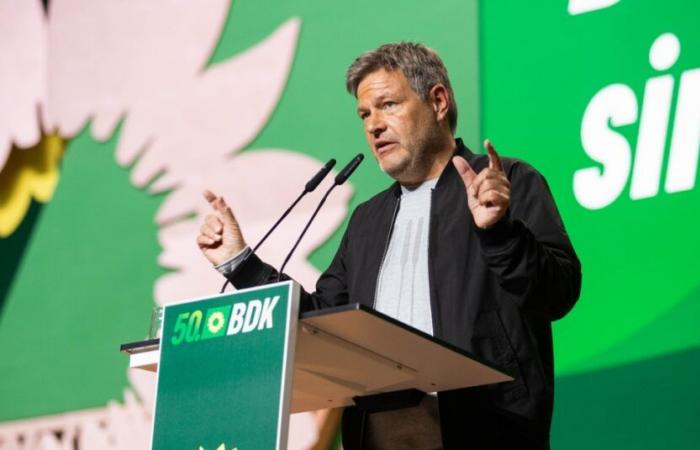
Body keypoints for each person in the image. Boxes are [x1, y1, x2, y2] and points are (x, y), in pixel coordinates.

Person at [197, 42, 581, 450]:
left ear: (437, 101)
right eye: (365, 114)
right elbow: (322, 322)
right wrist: (241, 265)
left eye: (388, 105)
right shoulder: (367, 220)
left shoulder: (507, 183)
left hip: (487, 429)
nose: (374, 125)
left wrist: (499, 232)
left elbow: (558, 294)